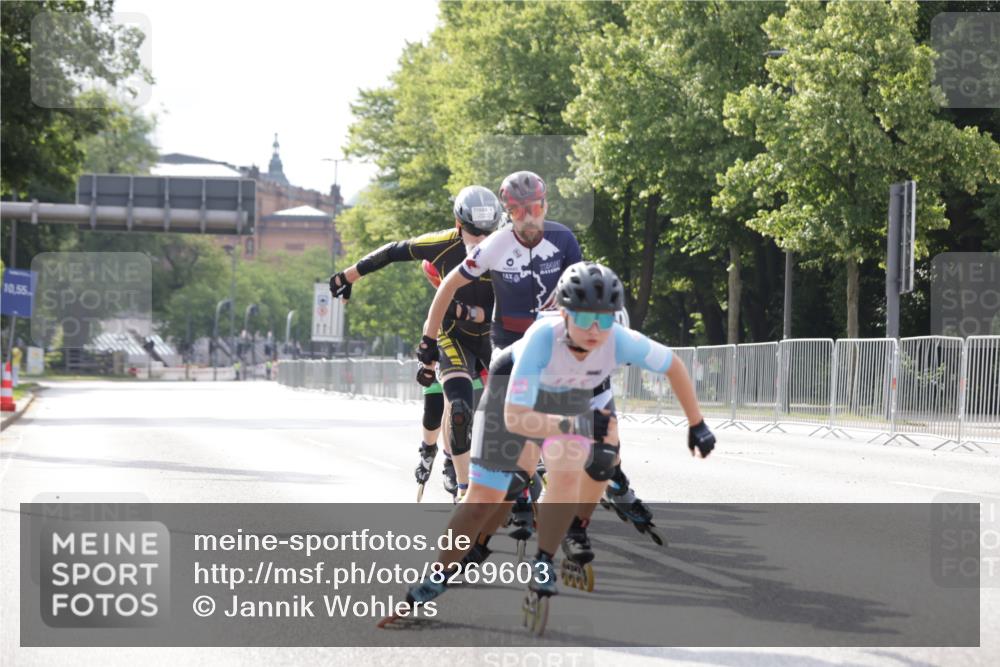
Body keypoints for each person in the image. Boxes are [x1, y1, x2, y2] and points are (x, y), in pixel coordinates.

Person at [391, 262, 715, 619]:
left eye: (605, 320)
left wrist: (697, 424)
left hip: (565, 395)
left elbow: (673, 366)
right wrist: (567, 427)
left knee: (589, 462)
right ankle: (437, 577)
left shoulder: (619, 340)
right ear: (564, 314)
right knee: (485, 499)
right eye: (585, 319)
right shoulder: (542, 339)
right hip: (510, 392)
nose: (595, 330)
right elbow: (516, 417)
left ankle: (545, 558)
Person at [417, 170, 652, 567]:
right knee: (512, 427)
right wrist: (428, 339)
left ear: (546, 205)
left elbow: (582, 286)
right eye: (519, 210)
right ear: (507, 213)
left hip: (556, 341)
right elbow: (448, 286)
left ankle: (605, 482)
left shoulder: (563, 239)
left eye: (536, 208)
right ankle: (504, 502)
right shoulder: (495, 244)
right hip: (510, 343)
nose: (529, 217)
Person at [330, 185, 501, 499]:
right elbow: (393, 251)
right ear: (459, 225)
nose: (482, 241)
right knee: (458, 407)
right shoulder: (442, 244)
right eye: (474, 234)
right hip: (453, 336)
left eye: (488, 233)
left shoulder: (507, 246)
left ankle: (534, 474)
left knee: (519, 407)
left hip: (494, 336)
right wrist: (348, 276)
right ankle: (464, 489)